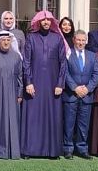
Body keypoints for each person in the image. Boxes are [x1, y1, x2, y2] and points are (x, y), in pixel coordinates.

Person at [21, 10, 67, 159]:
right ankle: (29, 150)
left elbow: (63, 63)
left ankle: (52, 151)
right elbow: (26, 62)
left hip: (53, 85)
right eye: (43, 20)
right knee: (32, 116)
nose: (46, 22)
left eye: (48, 20)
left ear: (52, 22)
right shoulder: (31, 38)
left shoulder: (58, 38)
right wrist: (28, 82)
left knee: (52, 116)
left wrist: (60, 84)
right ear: (38, 22)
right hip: (34, 83)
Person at [0, 31, 24, 159]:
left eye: (8, 40)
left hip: (13, 94)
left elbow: (20, 77)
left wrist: (20, 94)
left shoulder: (17, 57)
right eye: (3, 40)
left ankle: (12, 151)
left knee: (12, 121)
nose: (6, 42)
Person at [62, 30, 98, 159]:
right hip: (71, 96)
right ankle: (68, 149)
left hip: (86, 96)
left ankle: (82, 148)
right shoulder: (68, 54)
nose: (81, 42)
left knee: (84, 125)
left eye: (83, 40)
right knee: (69, 124)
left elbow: (96, 74)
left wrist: (88, 89)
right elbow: (65, 72)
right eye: (78, 40)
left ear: (86, 41)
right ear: (74, 40)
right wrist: (75, 88)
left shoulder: (92, 56)